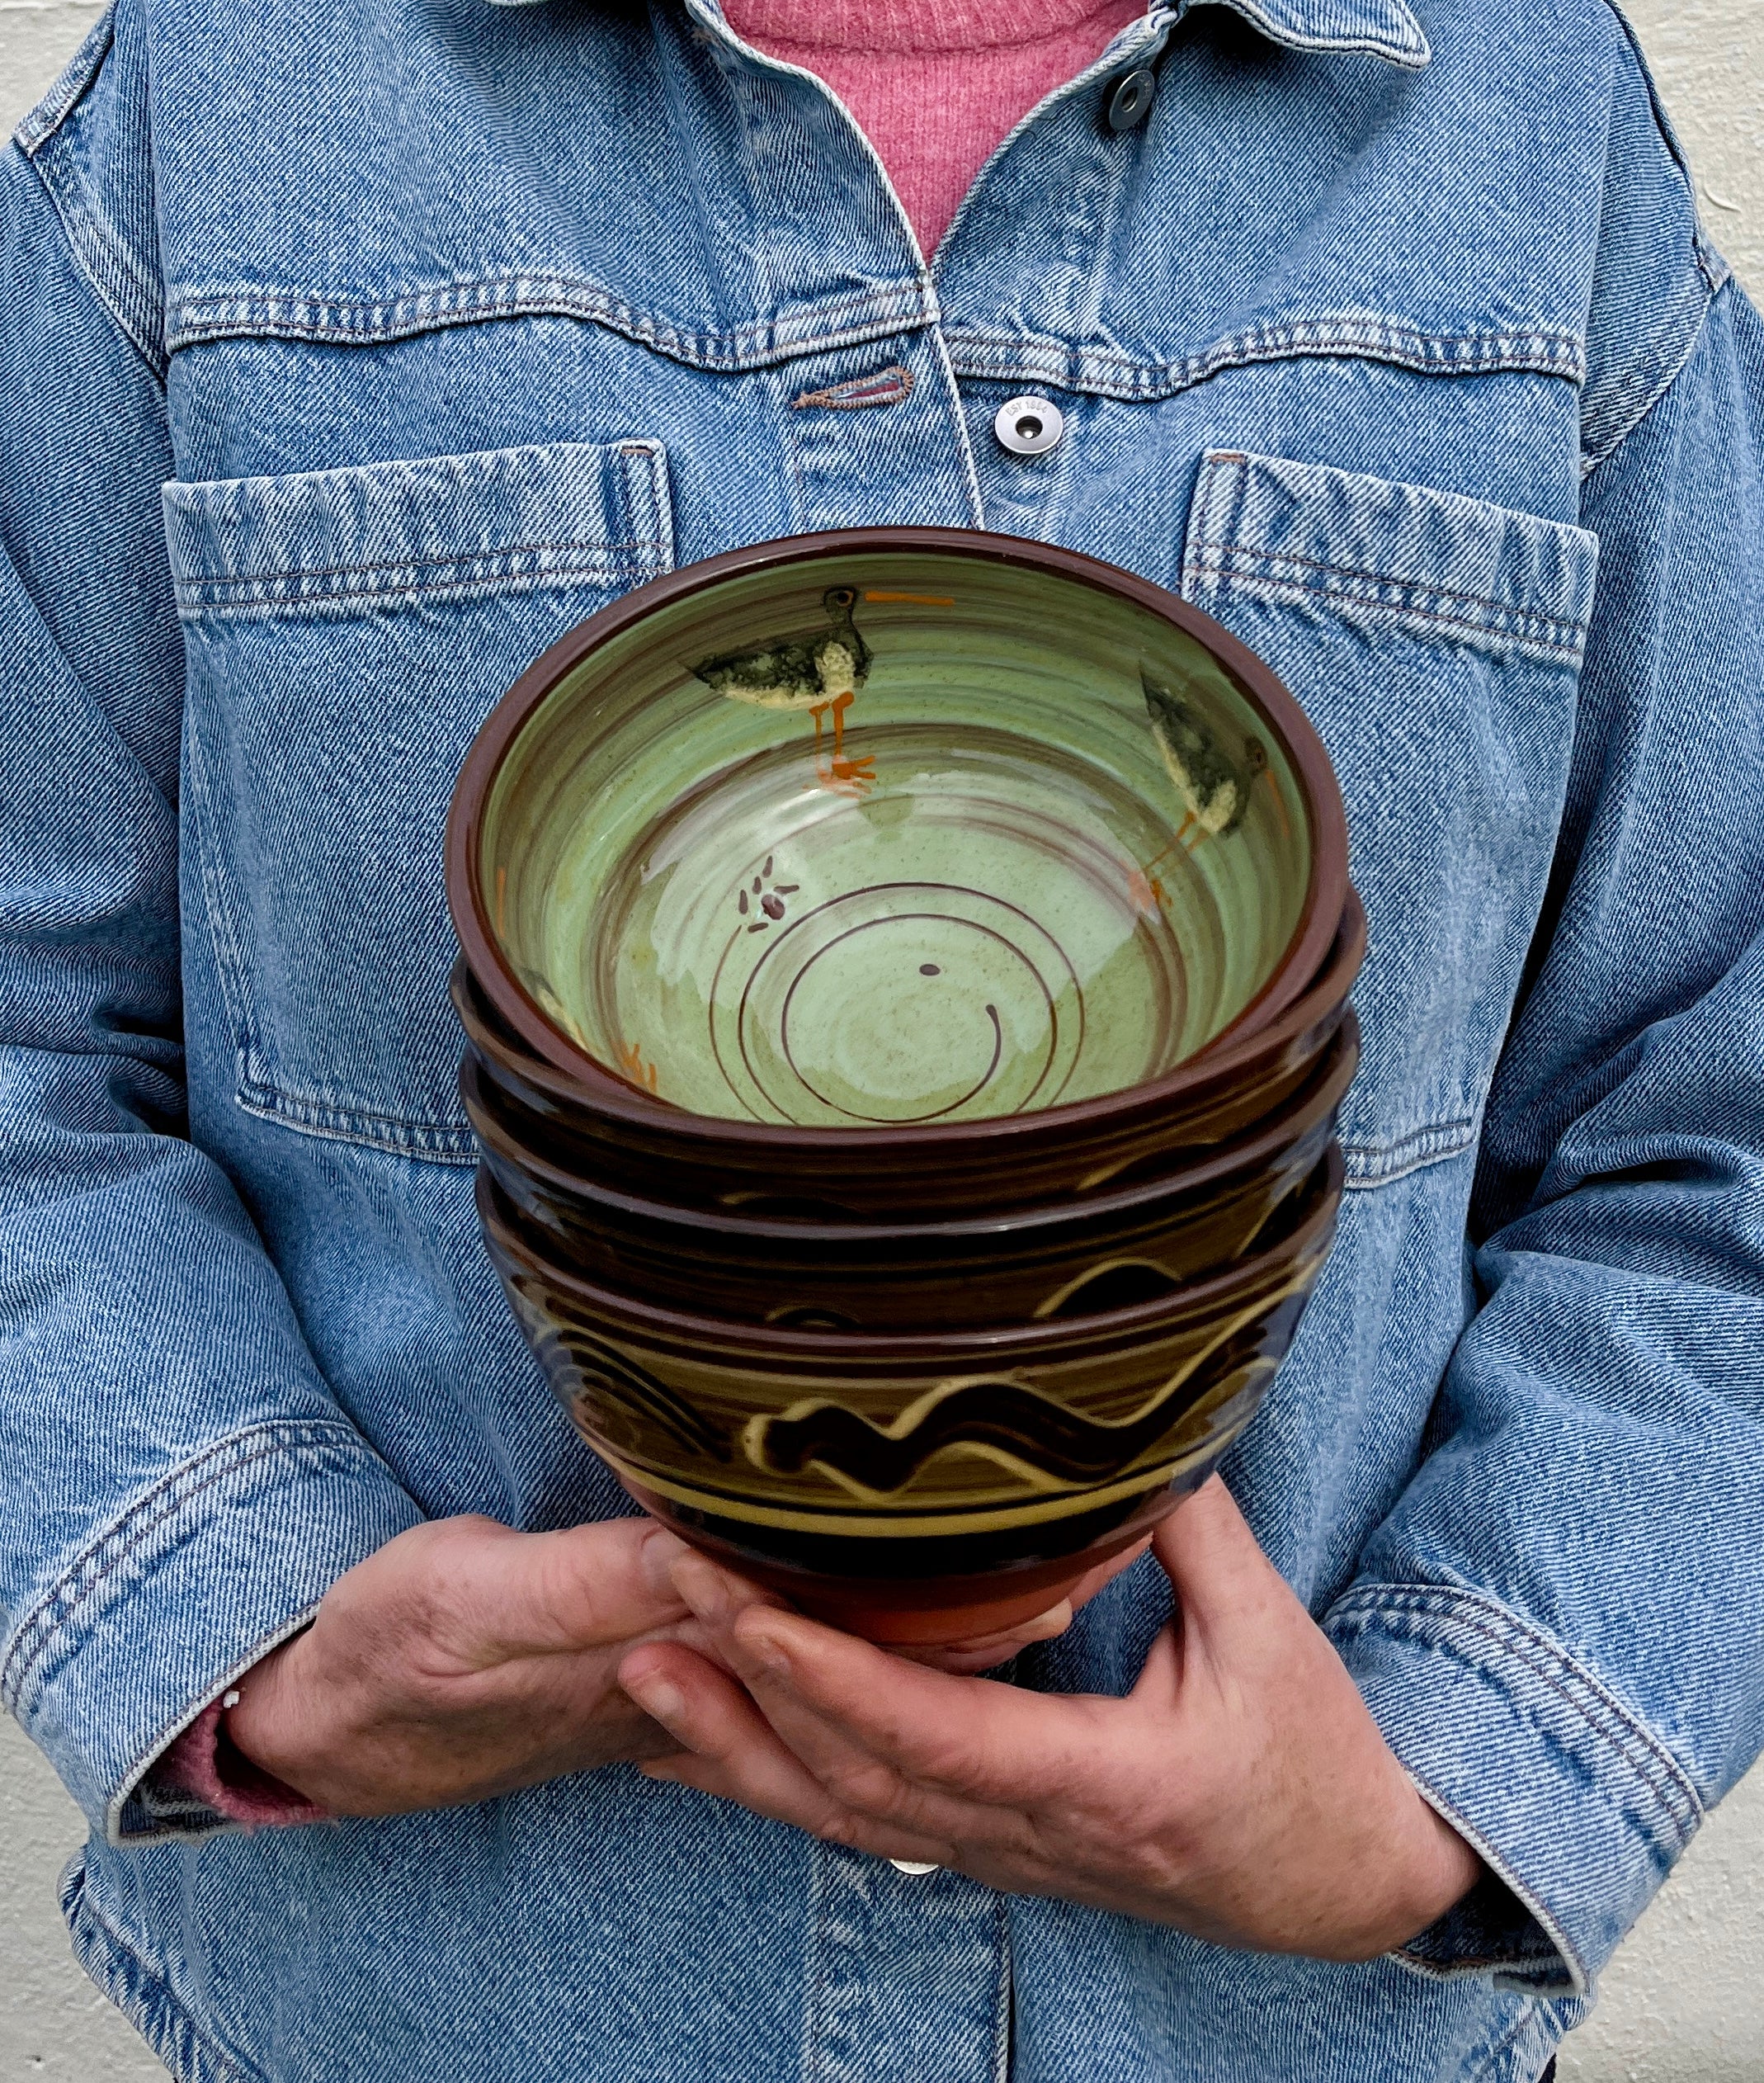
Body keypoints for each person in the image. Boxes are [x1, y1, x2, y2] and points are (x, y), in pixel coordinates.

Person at [1, 0, 1759, 2075]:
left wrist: (1429, 1801)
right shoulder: (227, 90)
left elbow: (1708, 1118)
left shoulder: (1527, 118)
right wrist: (262, 1629)